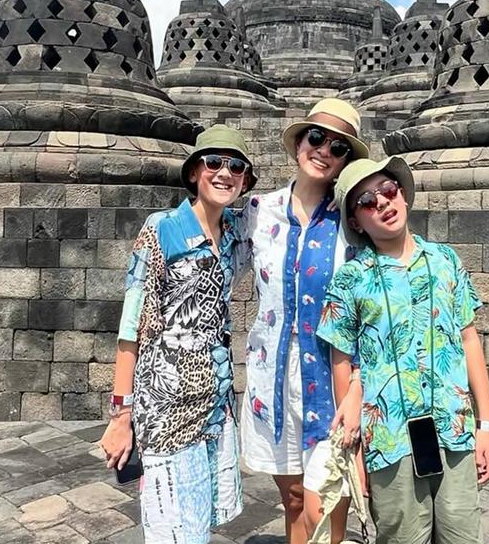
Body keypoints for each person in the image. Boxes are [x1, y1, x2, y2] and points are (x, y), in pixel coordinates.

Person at [318, 157, 489, 544]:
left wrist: (488, 426)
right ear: (355, 221)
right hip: (389, 437)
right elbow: (342, 361)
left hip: (453, 428)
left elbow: (469, 340)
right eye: (367, 201)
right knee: (401, 535)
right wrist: (353, 454)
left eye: (389, 190)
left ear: (402, 194)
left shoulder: (445, 260)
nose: (383, 203)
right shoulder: (351, 279)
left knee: (462, 533)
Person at [99, 124, 257, 544]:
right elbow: (132, 329)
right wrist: (121, 416)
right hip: (167, 410)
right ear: (193, 173)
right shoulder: (162, 230)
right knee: (174, 530)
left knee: (199, 523)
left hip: (215, 407)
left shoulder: (236, 234)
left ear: (244, 181)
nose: (225, 173)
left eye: (237, 167)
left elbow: (286, 206)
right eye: (214, 163)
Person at [238, 98, 368, 544]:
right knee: (293, 498)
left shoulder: (355, 223)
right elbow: (210, 258)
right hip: (271, 377)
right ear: (298, 143)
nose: (324, 150)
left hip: (332, 379)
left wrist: (359, 386)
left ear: (346, 161)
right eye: (316, 138)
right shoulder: (258, 211)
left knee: (326, 504)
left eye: (338, 147)